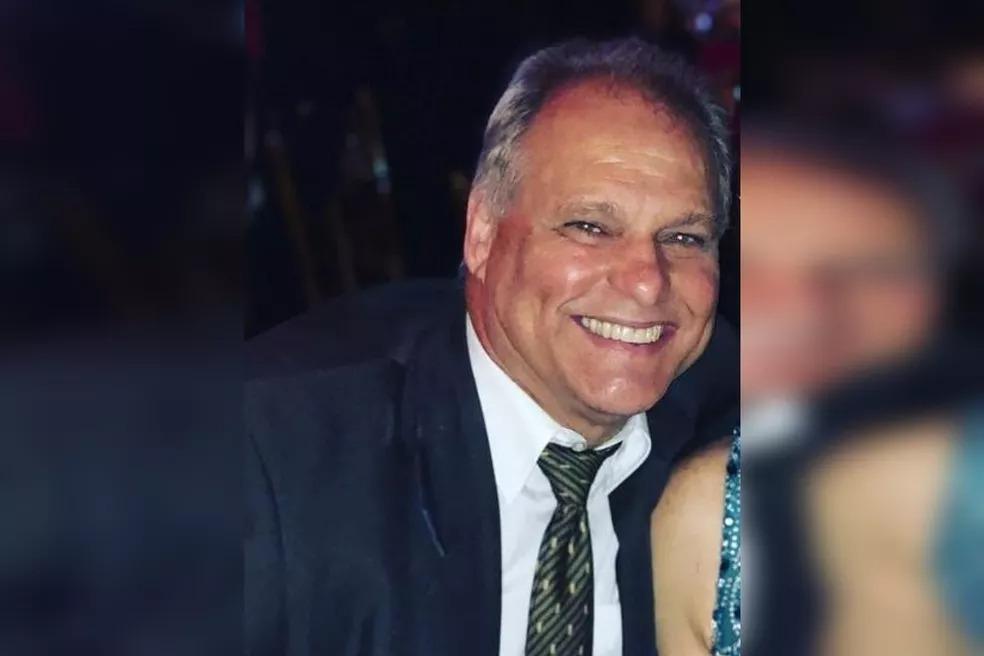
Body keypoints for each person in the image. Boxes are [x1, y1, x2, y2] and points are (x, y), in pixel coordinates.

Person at [246, 37, 737, 656]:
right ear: (480, 232)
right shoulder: (274, 454)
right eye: (590, 227)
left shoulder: (735, 430)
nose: (646, 281)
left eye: (684, 238)